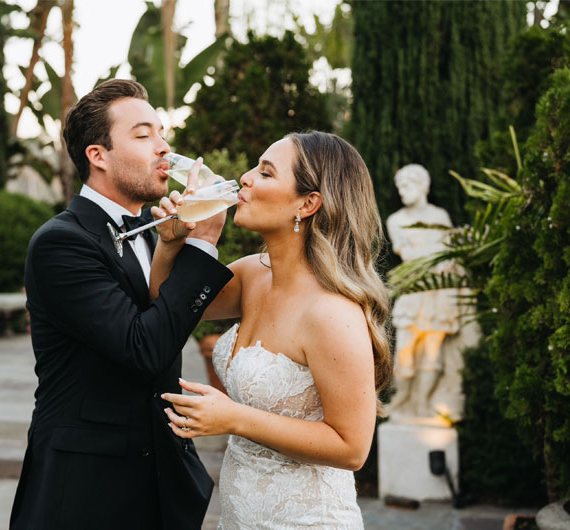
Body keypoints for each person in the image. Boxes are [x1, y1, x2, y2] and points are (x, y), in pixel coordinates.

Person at [9, 79, 233, 530]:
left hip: (157, 479)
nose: (164, 149)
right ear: (98, 156)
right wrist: (205, 243)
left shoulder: (154, 232)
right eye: (143, 134)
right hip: (87, 489)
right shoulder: (61, 242)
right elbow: (142, 347)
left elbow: (161, 319)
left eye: (162, 133)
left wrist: (172, 250)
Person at [150, 131, 392, 528]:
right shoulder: (252, 275)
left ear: (308, 203)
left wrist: (233, 419)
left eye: (265, 173)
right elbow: (167, 305)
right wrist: (171, 244)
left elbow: (352, 448)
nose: (244, 178)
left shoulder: (332, 313)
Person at [385, 164, 462, 419]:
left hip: (438, 292)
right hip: (416, 289)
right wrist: (437, 257)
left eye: (407, 186)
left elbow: (450, 255)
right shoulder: (396, 221)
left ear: (422, 186)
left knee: (432, 352)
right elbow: (410, 256)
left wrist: (442, 258)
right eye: (399, 187)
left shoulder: (440, 216)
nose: (402, 192)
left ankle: (421, 404)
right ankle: (402, 400)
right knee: (405, 350)